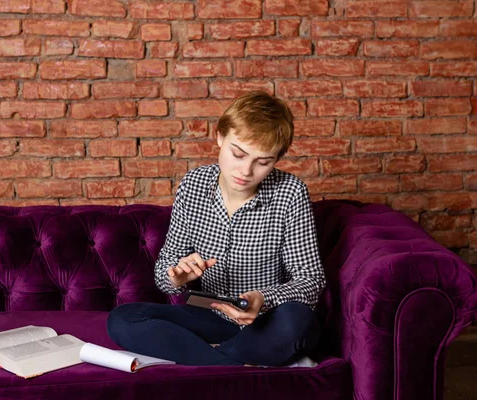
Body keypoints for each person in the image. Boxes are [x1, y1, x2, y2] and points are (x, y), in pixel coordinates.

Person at [107, 91, 326, 367]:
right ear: (220, 136)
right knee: (122, 319)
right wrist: (177, 277)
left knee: (299, 320)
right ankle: (233, 363)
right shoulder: (194, 184)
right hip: (210, 316)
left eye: (263, 162)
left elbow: (310, 280)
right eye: (238, 153)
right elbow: (165, 273)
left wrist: (263, 298)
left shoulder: (291, 192)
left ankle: (209, 359)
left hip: (266, 320)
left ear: (277, 159)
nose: (246, 171)